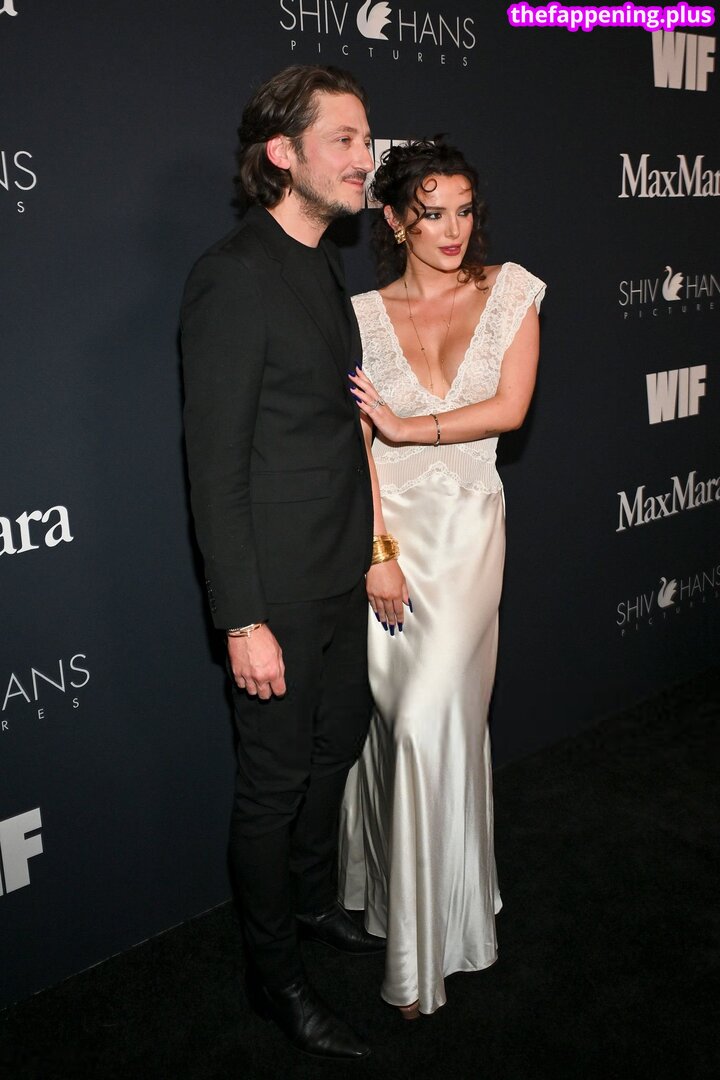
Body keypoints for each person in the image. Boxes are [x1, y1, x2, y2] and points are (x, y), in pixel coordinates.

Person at [181, 65, 385, 1061]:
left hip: (342, 573)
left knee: (334, 748)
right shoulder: (234, 275)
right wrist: (242, 617)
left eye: (366, 140)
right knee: (272, 787)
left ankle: (309, 903)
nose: (365, 158)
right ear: (282, 153)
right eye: (344, 140)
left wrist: (374, 554)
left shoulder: (321, 262)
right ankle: (275, 980)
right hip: (277, 593)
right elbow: (214, 467)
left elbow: (334, 433)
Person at [338, 138, 546, 1018]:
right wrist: (377, 554)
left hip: (466, 541)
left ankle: (428, 949)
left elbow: (510, 409)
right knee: (392, 730)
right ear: (395, 220)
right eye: (431, 213)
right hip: (393, 541)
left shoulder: (511, 293)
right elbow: (356, 450)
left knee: (432, 725)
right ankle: (395, 905)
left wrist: (409, 426)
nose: (452, 229)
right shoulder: (358, 315)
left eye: (463, 210)